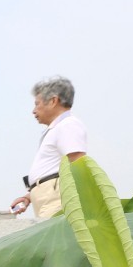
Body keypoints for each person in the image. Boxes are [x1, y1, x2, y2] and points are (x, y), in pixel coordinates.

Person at [9, 77, 87, 219]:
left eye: (37, 104)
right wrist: (28, 197)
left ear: (53, 101)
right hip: (48, 197)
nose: (33, 111)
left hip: (56, 199)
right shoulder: (58, 128)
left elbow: (79, 163)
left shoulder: (68, 125)